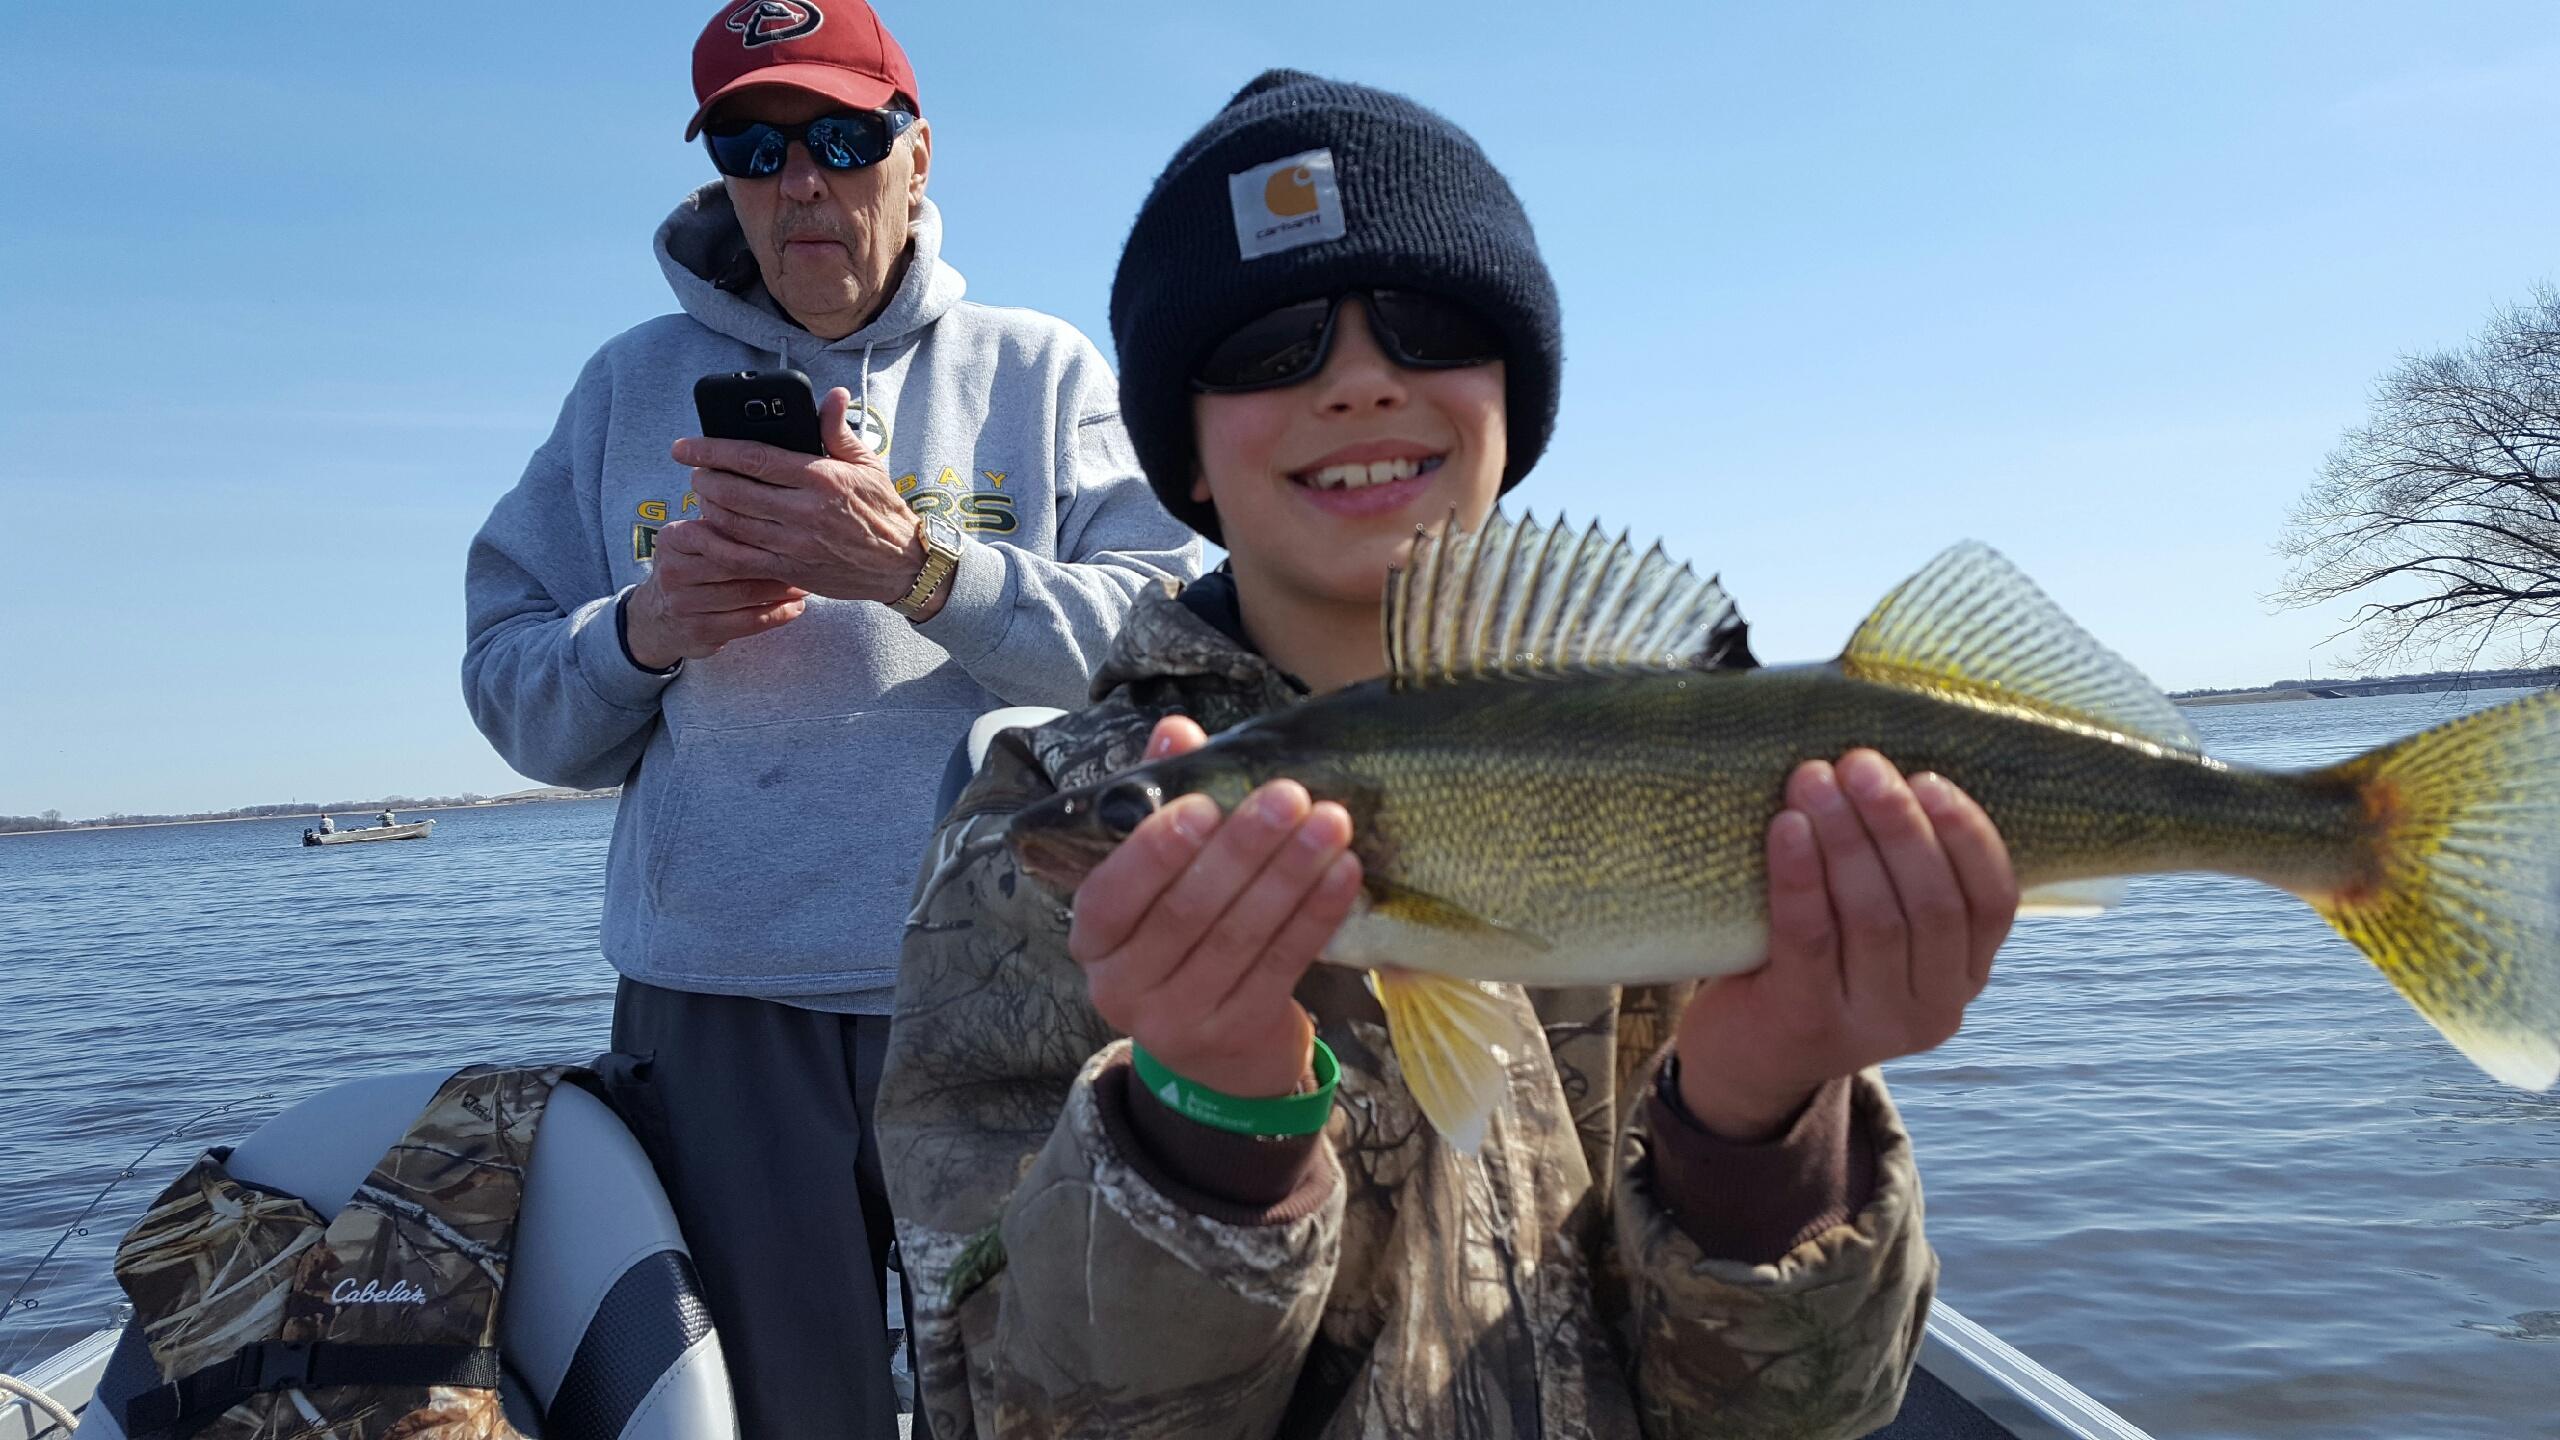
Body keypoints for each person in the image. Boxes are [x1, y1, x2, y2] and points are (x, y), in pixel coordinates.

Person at [880, 71, 2017, 1438]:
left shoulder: (1682, 766)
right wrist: (1203, 1125)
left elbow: (1808, 1418)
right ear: (1177, 442)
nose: (1359, 381)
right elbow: (1003, 1412)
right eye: (1267, 343)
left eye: (1429, 325)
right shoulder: (1028, 848)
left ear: (1510, 393)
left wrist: (1764, 1115)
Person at [460, 4, 1202, 1434]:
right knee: (790, 1412)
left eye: (845, 140)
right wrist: (641, 632)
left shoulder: (1039, 373)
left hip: (1014, 989)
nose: (803, 181)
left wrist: (922, 570)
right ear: (722, 178)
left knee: (1054, 1390)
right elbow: (514, 696)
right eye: (755, 144)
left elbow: (1169, 649)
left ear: (918, 158)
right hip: (719, 1020)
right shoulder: (622, 388)